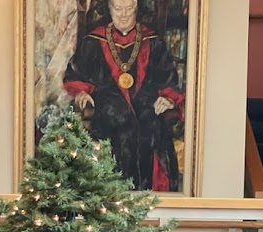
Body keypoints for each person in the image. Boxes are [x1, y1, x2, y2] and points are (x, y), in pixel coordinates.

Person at [63, 0, 183, 191]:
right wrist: (81, 92)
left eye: (129, 9)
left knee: (151, 125)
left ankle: (147, 194)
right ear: (109, 10)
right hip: (107, 105)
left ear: (137, 9)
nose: (124, 15)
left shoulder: (153, 42)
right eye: (118, 9)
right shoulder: (93, 42)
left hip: (146, 105)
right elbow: (75, 75)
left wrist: (168, 98)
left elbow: (168, 78)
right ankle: (115, 195)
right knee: (119, 120)